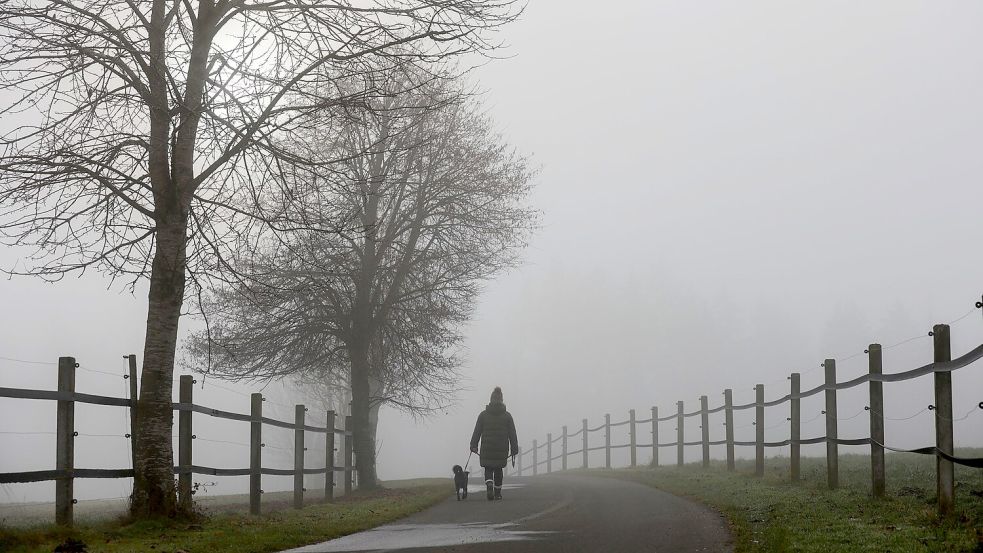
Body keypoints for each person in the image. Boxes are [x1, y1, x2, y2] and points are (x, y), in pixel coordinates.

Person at [470, 386, 518, 500]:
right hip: (501, 447)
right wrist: (514, 448)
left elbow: (477, 431)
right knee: (498, 469)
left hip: (487, 447)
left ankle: (489, 484)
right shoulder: (507, 416)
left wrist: (473, 445)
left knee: (488, 468)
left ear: (491, 399)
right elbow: (512, 434)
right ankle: (497, 493)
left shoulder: (483, 415)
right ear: (501, 400)